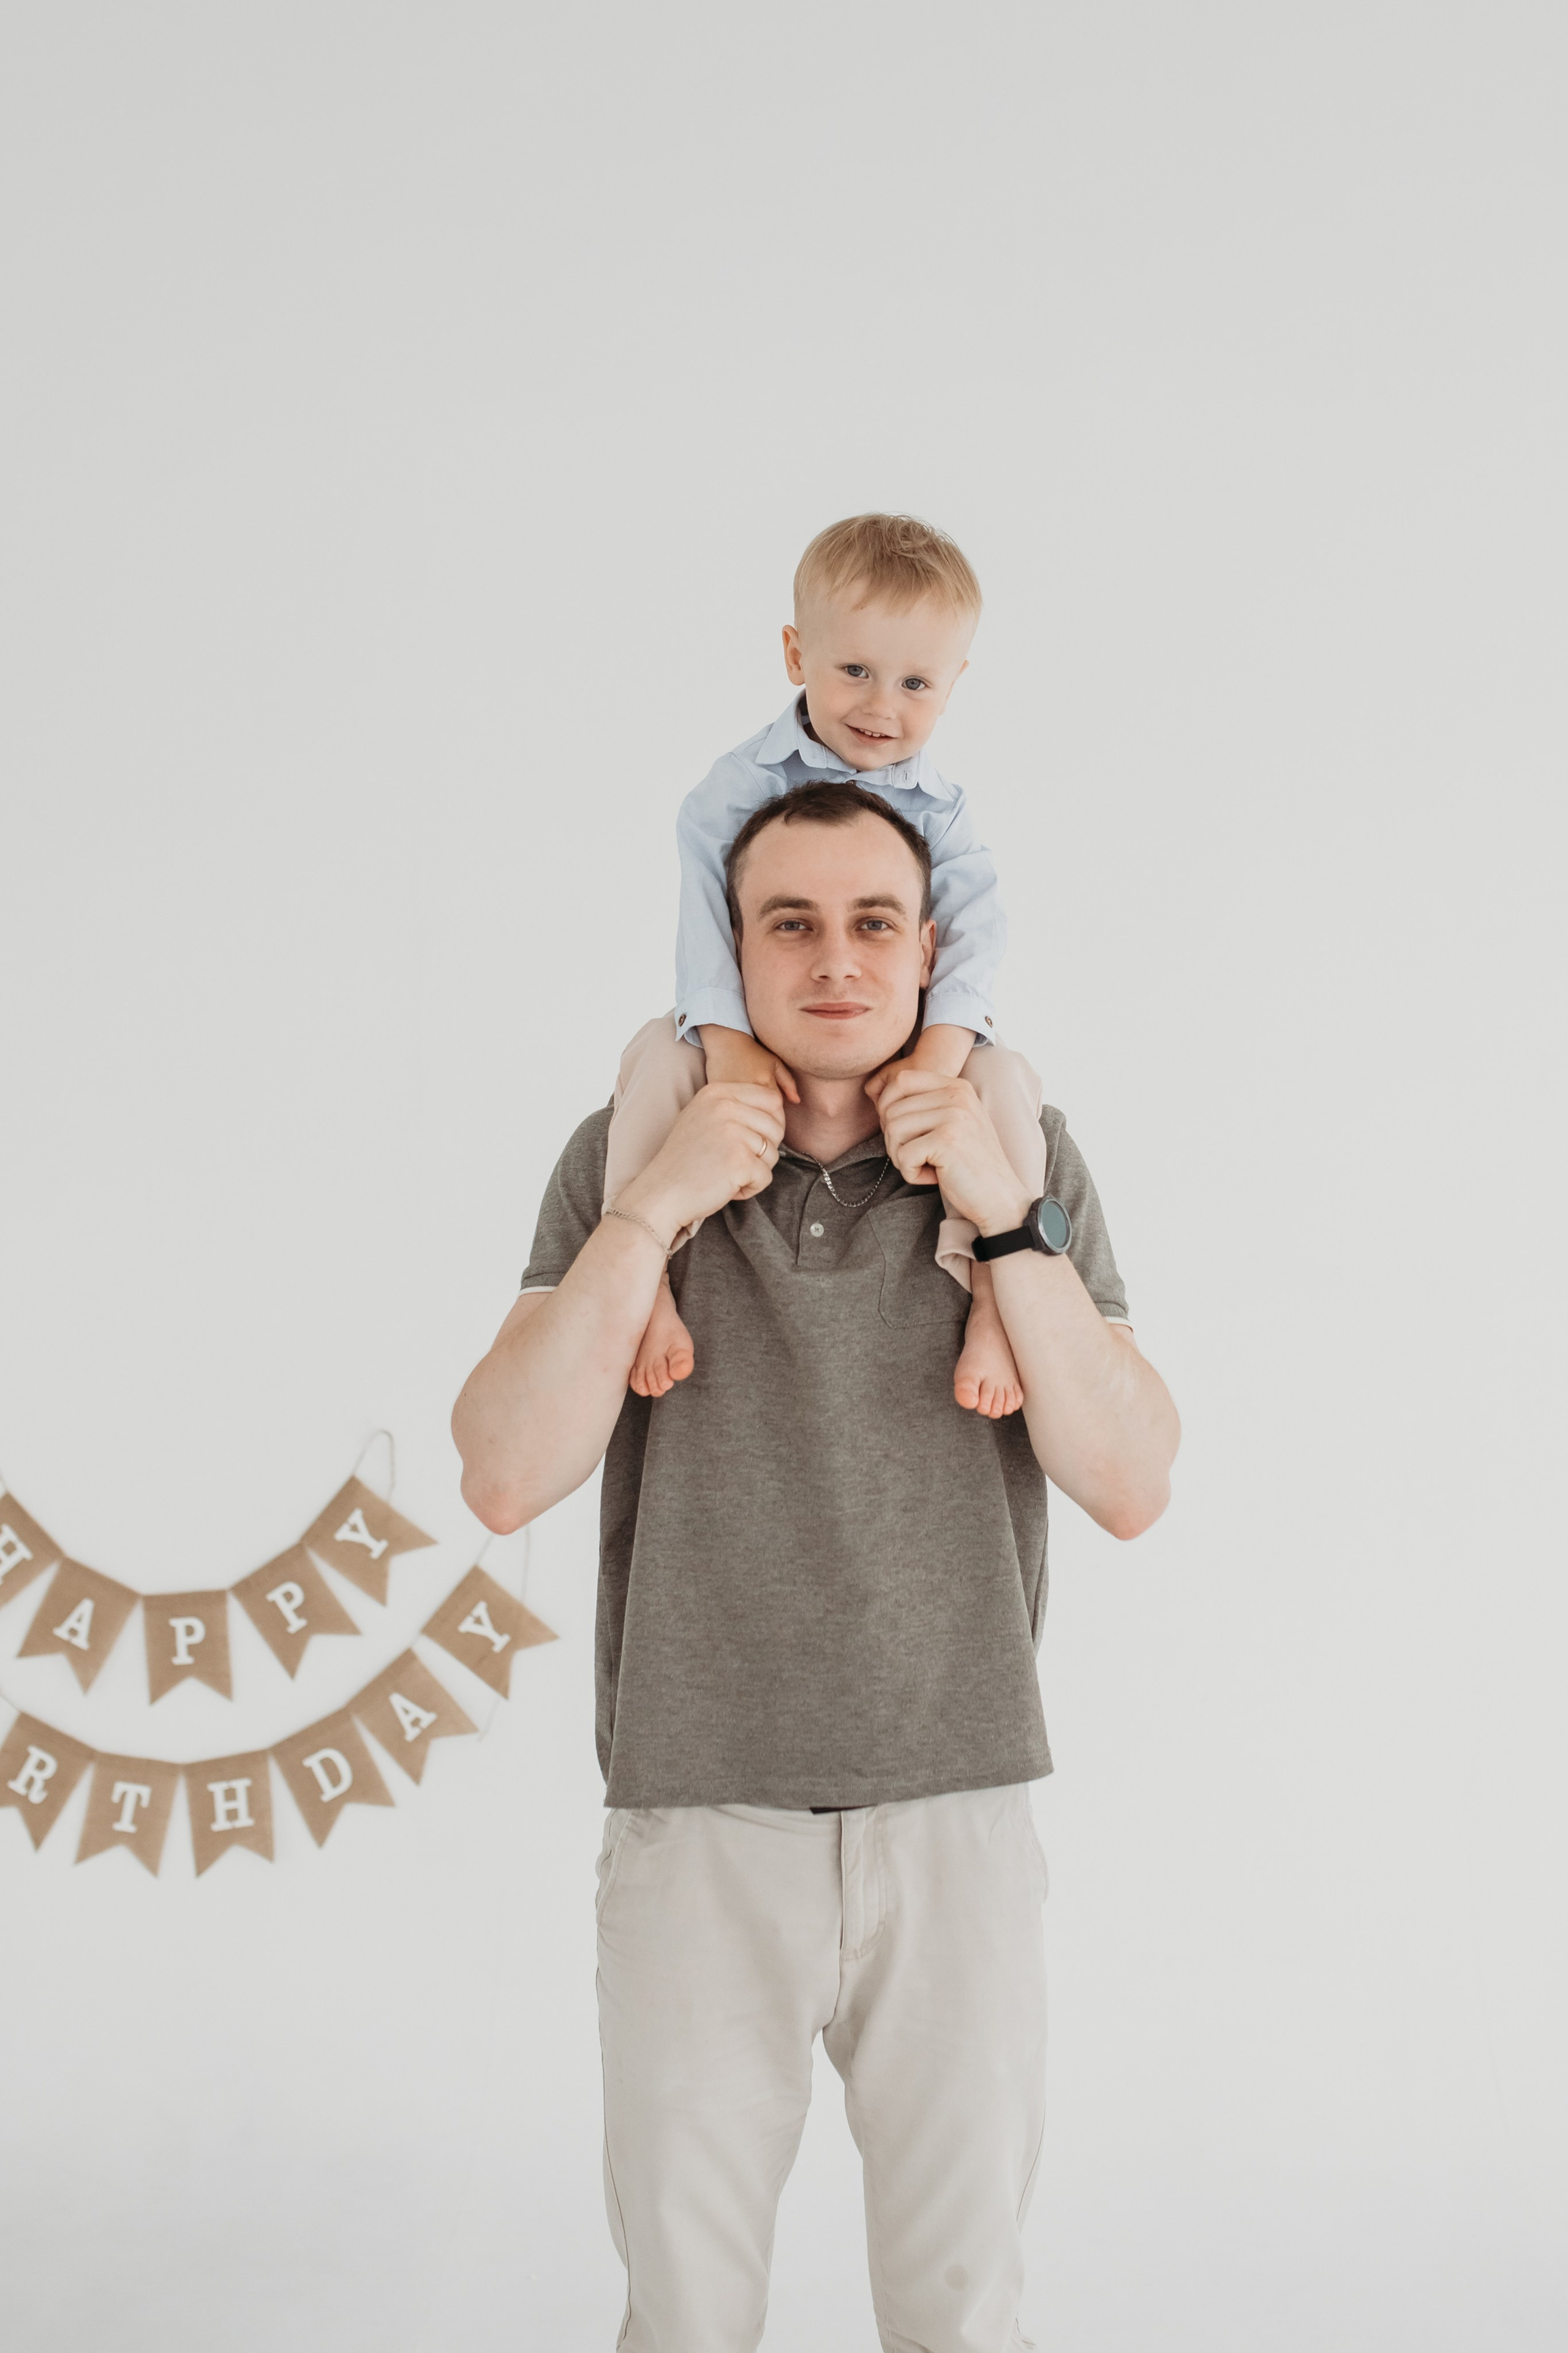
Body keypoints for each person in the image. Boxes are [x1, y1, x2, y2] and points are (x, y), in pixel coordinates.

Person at [452, 779, 1179, 2353]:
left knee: (961, 2312)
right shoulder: (627, 1149)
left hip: (956, 1812)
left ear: (931, 954)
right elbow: (504, 1466)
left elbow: (1130, 1480)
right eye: (790, 922)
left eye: (872, 923)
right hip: (697, 1815)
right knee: (689, 2314)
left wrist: (1003, 1221)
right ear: (733, 952)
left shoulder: (1023, 1148)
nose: (835, 960)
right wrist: (654, 1201)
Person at [609, 510, 1045, 1421]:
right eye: (855, 670)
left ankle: (1001, 1305)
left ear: (957, 684)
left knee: (1003, 1085)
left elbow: (975, 937)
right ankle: (641, 1286)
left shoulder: (945, 812)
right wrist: (725, 1046)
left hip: (911, 1039)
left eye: (916, 682)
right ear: (794, 652)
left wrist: (938, 1055)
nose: (882, 707)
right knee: (655, 1058)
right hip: (749, 1032)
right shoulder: (732, 791)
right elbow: (702, 922)